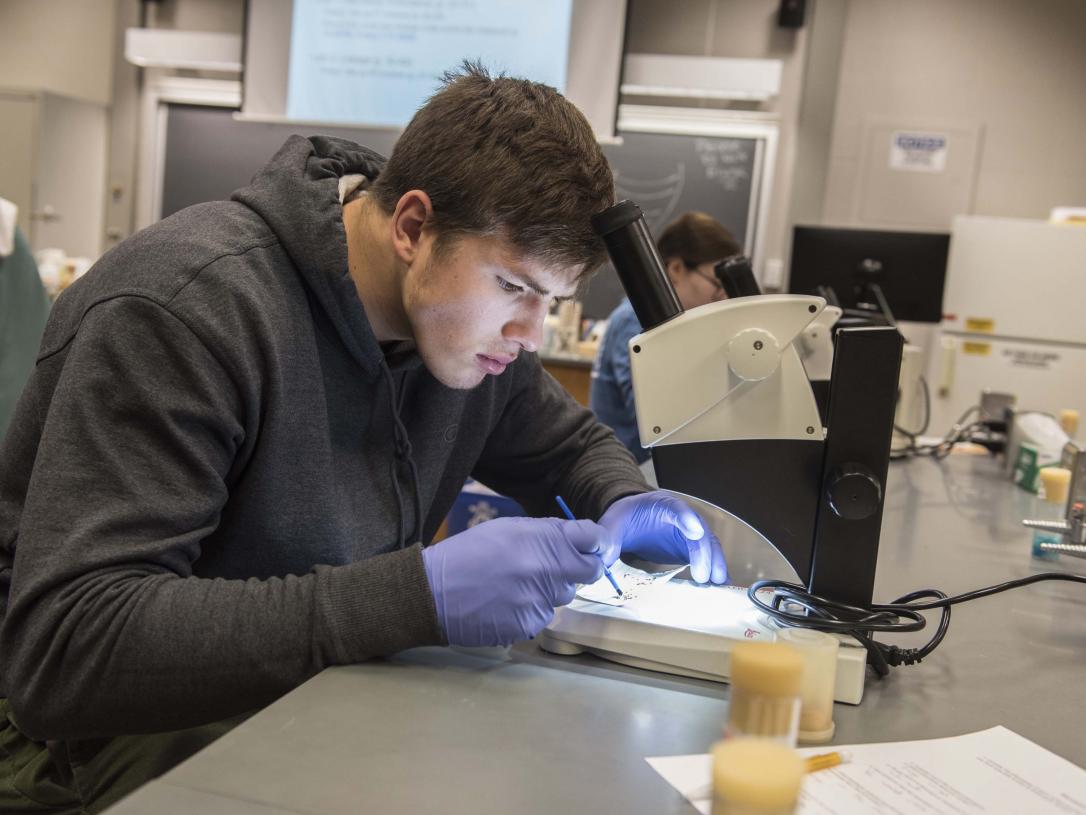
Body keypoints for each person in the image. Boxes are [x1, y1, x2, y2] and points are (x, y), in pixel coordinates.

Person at [0, 63, 727, 813]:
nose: (530, 333)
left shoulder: (469, 335)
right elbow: (68, 650)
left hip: (309, 690)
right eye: (514, 288)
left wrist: (625, 499)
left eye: (553, 300)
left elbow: (571, 446)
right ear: (412, 227)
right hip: (89, 745)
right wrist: (419, 595)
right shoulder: (188, 308)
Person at [591, 211, 742, 463]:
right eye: (716, 283)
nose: (723, 295)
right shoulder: (634, 320)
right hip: (630, 469)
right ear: (676, 268)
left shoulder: (678, 326)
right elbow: (655, 418)